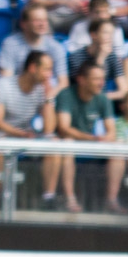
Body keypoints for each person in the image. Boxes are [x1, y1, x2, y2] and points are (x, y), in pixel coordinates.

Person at [0, 51, 57, 188]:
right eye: (46, 69)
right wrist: (21, 134)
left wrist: (48, 97)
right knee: (0, 144)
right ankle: (3, 193)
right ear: (32, 68)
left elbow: (49, 129)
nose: (50, 75)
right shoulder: (3, 85)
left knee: (53, 144)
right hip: (1, 135)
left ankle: (49, 196)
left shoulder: (42, 90)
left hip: (26, 136)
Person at [53, 61, 116, 212]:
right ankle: (70, 198)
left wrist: (106, 138)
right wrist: (92, 138)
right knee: (68, 144)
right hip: (69, 143)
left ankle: (111, 199)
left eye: (102, 79)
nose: (101, 83)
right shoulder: (66, 95)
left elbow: (112, 131)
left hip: (90, 142)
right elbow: (64, 129)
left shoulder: (102, 98)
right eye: (96, 79)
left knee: (118, 150)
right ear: (81, 79)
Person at [0, 3, 68, 92]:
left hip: (47, 94)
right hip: (18, 94)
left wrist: (49, 97)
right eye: (37, 20)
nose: (42, 24)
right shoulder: (10, 44)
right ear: (23, 24)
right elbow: (6, 79)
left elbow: (63, 83)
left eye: (45, 20)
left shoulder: (56, 47)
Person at [67, 19, 128, 102]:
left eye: (112, 33)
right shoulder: (76, 57)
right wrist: (100, 58)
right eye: (105, 33)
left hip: (102, 103)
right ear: (93, 35)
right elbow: (87, 89)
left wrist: (103, 98)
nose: (110, 37)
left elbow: (124, 90)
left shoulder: (112, 56)